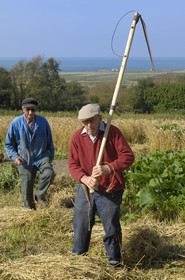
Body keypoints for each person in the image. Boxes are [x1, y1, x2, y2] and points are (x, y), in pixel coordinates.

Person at [68, 103, 135, 266]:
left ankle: (114, 259)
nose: (88, 125)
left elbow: (128, 156)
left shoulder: (112, 133)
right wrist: (84, 178)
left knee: (111, 225)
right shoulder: (78, 137)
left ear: (100, 117)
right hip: (85, 188)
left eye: (91, 120)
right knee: (81, 223)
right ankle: (78, 257)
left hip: (110, 188)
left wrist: (108, 168)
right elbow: (72, 164)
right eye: (84, 122)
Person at [5, 97, 55, 210]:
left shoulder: (43, 122)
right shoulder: (16, 123)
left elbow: (50, 142)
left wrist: (50, 158)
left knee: (49, 173)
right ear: (23, 109)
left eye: (33, 109)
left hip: (41, 156)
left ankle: (40, 195)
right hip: (24, 159)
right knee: (26, 188)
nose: (30, 112)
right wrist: (15, 157)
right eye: (28, 109)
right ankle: (29, 210)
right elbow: (8, 144)